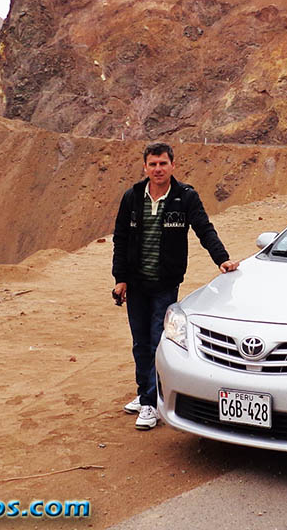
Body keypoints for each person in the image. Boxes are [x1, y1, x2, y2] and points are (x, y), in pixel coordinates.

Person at [112, 142, 238, 430]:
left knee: (159, 340)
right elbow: (120, 238)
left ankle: (150, 403)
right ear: (145, 166)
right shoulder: (132, 197)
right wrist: (120, 278)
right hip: (136, 283)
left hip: (165, 283)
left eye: (163, 164)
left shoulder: (185, 197)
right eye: (153, 164)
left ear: (173, 166)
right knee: (140, 342)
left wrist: (223, 259)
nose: (158, 169)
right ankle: (147, 393)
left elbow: (204, 228)